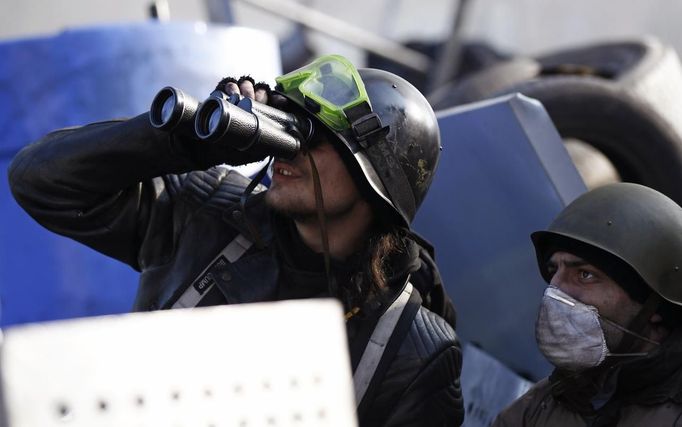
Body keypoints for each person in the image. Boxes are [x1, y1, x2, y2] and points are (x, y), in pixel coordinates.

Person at [9, 55, 463, 426]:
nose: (290, 148)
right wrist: (182, 144)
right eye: (290, 128)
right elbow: (40, 183)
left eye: (318, 139)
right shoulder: (206, 214)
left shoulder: (413, 350)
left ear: (377, 184)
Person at [493, 182, 682, 426]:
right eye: (554, 271)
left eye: (584, 275)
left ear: (653, 306)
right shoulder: (543, 404)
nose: (555, 290)